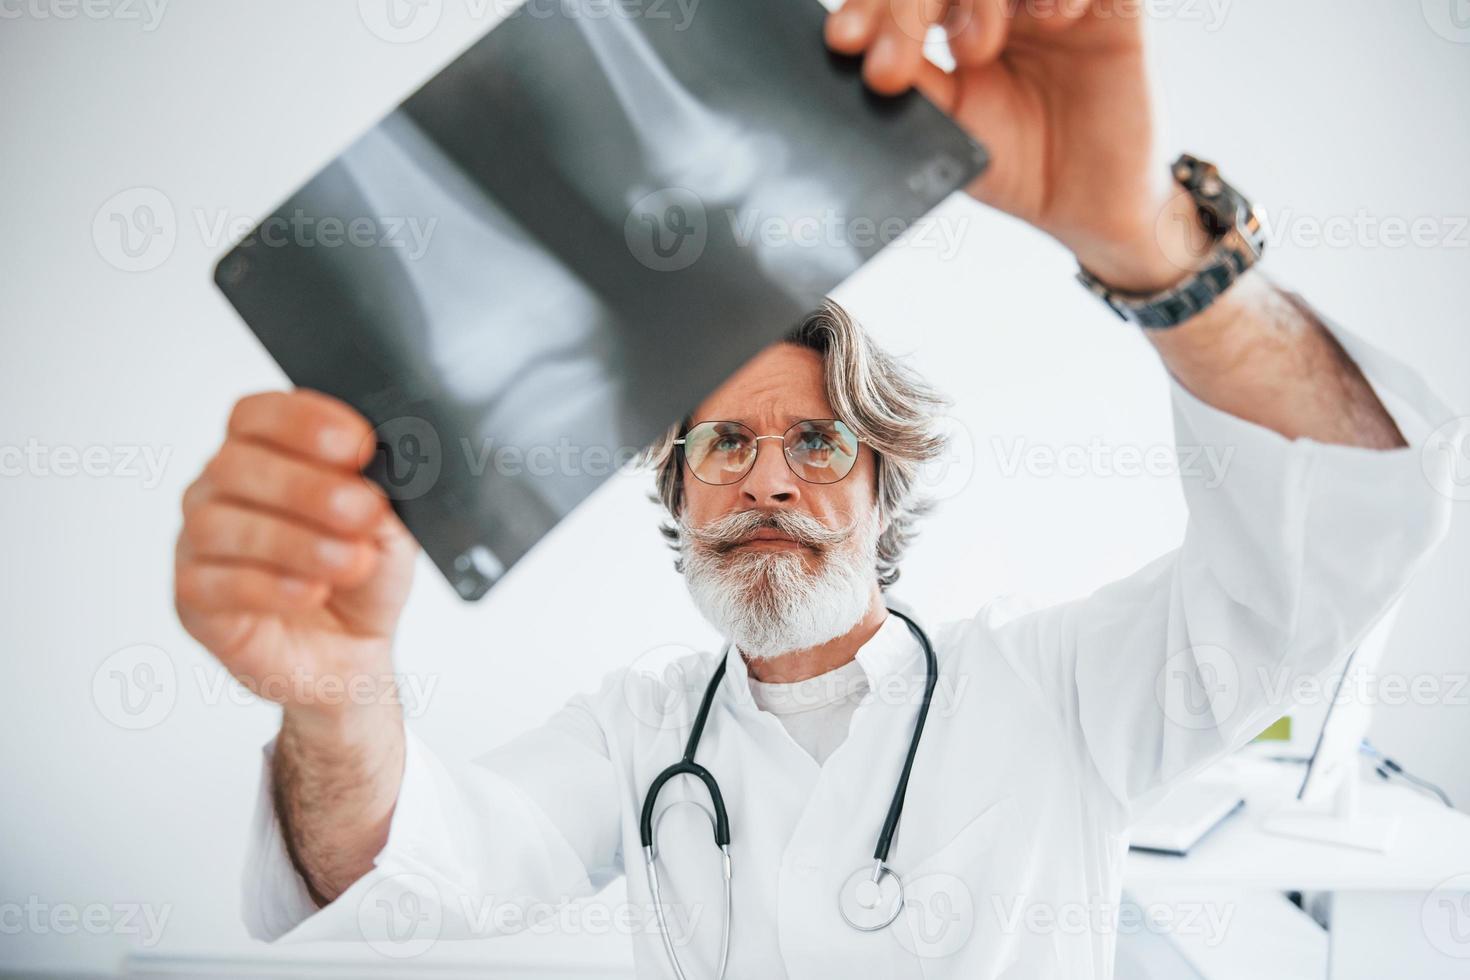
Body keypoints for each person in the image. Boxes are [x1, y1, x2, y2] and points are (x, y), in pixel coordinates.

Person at [174, 2, 1456, 977]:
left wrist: (1143, 237)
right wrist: (336, 702)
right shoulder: (637, 736)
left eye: (821, 444)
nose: (767, 479)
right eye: (723, 445)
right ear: (674, 497)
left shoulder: (1064, 688)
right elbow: (401, 882)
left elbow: (1334, 535)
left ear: (887, 492)